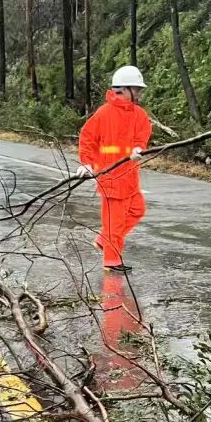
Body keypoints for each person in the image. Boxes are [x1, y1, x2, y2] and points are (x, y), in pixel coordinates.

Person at [78, 66, 152, 272]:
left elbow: (142, 135)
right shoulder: (104, 113)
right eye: (136, 89)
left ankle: (104, 239)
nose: (139, 93)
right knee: (114, 223)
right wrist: (87, 162)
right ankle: (111, 261)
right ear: (124, 89)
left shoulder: (139, 114)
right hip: (110, 178)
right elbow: (87, 138)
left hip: (129, 177)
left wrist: (139, 148)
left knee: (137, 210)